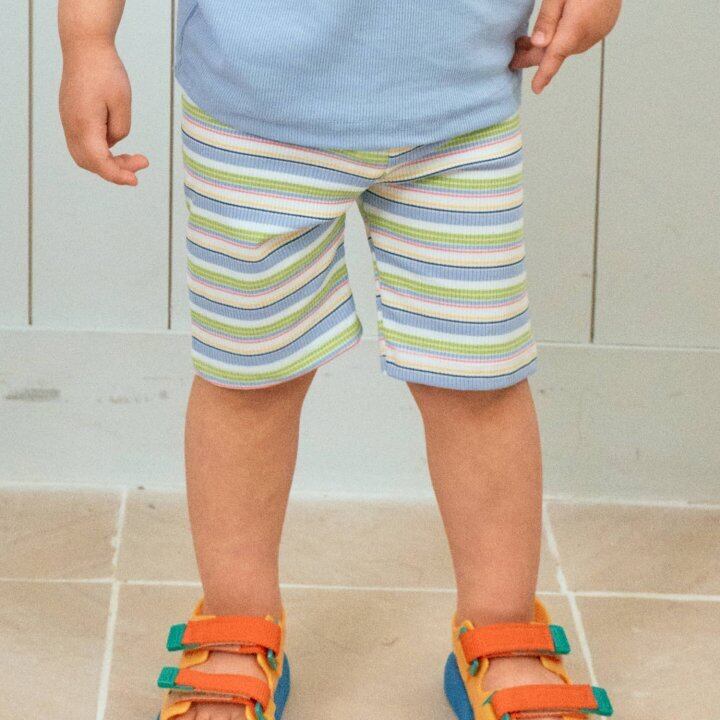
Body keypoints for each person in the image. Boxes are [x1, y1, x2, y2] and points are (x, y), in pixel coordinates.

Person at [59, 1, 622, 719]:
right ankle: (238, 620)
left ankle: (502, 627)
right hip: (253, 115)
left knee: (480, 378)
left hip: (458, 110)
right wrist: (87, 40)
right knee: (249, 375)